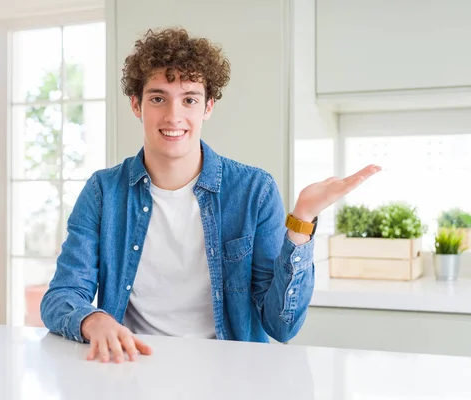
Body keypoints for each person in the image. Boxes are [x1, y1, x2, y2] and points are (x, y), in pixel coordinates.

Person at [40, 28, 380, 363]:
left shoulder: (254, 191)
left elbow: (282, 325)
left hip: (228, 375)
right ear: (136, 105)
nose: (174, 116)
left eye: (189, 99)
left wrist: (302, 219)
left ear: (208, 107)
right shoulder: (103, 192)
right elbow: (62, 295)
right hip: (132, 367)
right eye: (158, 98)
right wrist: (93, 320)